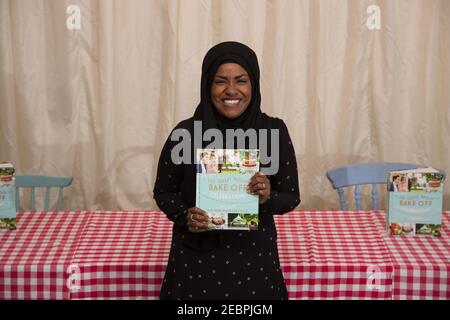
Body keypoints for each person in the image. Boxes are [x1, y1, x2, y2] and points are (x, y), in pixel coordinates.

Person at [153, 41, 300, 300]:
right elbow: (163, 192)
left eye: (241, 80)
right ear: (207, 85)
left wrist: (267, 196)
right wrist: (185, 215)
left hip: (255, 261)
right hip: (194, 263)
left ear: (253, 84)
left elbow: (291, 196)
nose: (231, 90)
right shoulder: (185, 133)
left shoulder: (273, 131)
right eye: (221, 81)